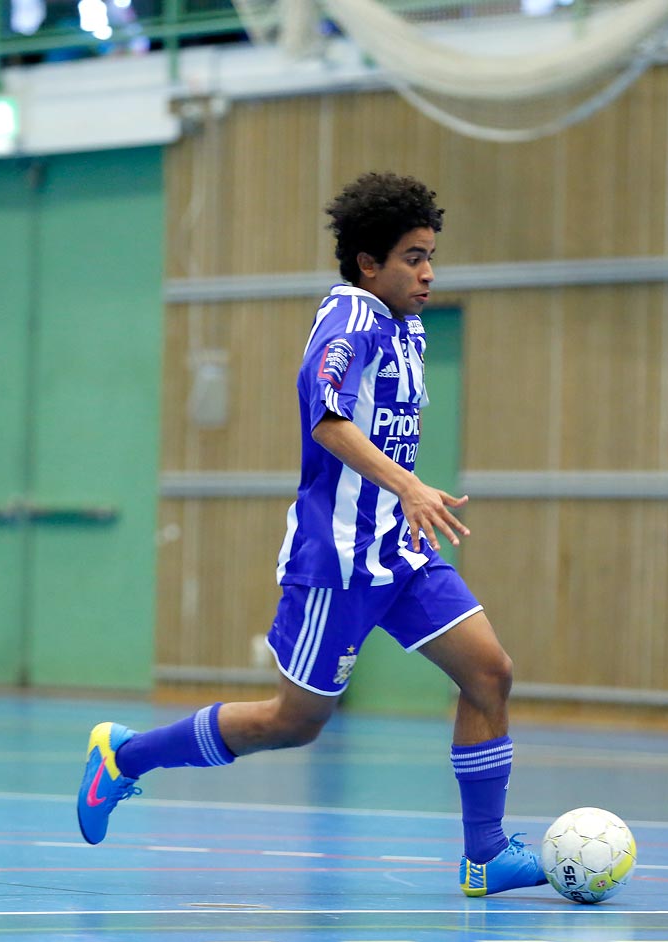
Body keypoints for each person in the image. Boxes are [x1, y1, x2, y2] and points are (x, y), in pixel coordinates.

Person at [78, 172, 545, 897]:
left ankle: (484, 854)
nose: (428, 273)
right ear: (367, 263)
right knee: (294, 723)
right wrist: (410, 485)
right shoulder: (349, 324)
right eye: (412, 258)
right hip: (338, 561)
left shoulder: (408, 325)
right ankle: (125, 758)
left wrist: (405, 502)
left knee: (490, 673)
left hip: (401, 553)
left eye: (431, 256)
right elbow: (326, 421)